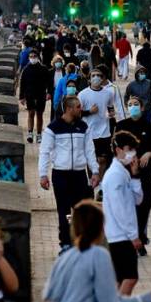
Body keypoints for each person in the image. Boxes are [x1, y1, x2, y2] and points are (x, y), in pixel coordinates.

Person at [39, 96, 100, 248]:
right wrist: (43, 174)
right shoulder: (53, 128)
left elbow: (89, 150)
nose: (81, 109)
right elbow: (44, 152)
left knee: (81, 209)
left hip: (79, 174)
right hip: (61, 174)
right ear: (69, 109)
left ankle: (81, 239)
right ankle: (65, 241)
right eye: (78, 107)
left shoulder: (83, 127)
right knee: (64, 210)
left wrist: (95, 171)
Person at [115, 96, 151, 257]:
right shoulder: (121, 126)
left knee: (143, 208)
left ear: (142, 108)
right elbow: (114, 149)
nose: (133, 107)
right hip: (126, 174)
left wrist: (149, 154)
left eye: (136, 104)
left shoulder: (149, 127)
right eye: (130, 105)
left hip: (146, 173)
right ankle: (128, 240)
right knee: (127, 208)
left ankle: (140, 239)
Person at [101, 131, 144, 295]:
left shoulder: (123, 173)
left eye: (134, 150)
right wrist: (133, 235)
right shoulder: (114, 175)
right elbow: (119, 209)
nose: (132, 154)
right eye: (129, 149)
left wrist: (135, 176)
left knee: (121, 279)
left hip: (123, 234)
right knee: (130, 277)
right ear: (118, 150)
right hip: (120, 235)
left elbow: (137, 199)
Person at [78, 68, 116, 179]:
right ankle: (92, 180)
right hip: (89, 133)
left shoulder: (108, 93)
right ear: (89, 79)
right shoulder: (83, 94)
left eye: (99, 75)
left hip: (104, 132)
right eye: (93, 75)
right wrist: (89, 112)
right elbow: (77, 113)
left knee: (103, 159)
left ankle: (101, 182)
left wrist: (111, 113)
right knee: (92, 160)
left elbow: (110, 107)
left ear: (103, 78)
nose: (96, 78)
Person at [19, 49, 51, 143]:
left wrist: (49, 92)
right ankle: (30, 132)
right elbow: (22, 83)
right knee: (31, 113)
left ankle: (39, 134)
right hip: (30, 95)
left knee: (39, 114)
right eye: (31, 56)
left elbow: (49, 82)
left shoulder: (44, 69)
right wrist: (21, 96)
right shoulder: (26, 69)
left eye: (34, 56)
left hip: (41, 94)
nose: (32, 58)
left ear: (38, 57)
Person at [48, 55, 66, 122]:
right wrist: (49, 93)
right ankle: (53, 122)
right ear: (54, 63)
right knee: (54, 108)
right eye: (57, 61)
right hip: (54, 92)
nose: (58, 63)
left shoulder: (65, 71)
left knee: (63, 108)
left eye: (60, 61)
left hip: (63, 92)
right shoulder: (50, 72)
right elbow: (49, 84)